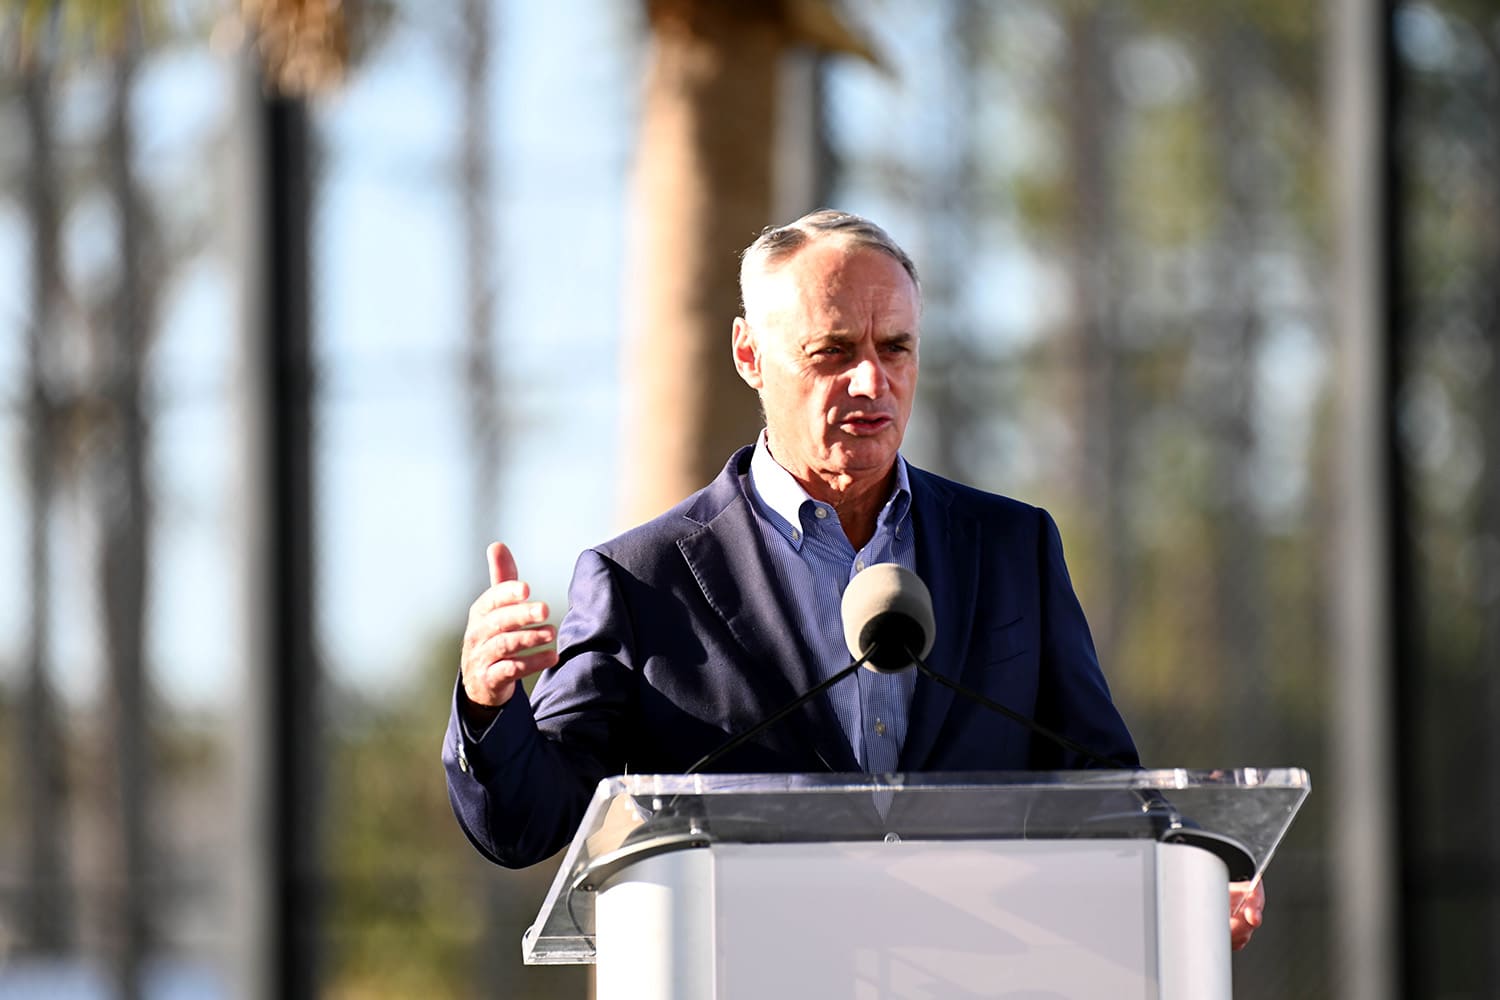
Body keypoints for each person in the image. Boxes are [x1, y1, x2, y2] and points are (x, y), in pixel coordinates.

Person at [442, 209, 1265, 950]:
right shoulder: (643, 581)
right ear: (749, 354)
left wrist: (1182, 883)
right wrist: (487, 702)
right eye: (832, 351)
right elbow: (527, 822)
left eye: (894, 347)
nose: (872, 381)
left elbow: (1098, 784)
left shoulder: (1012, 548)